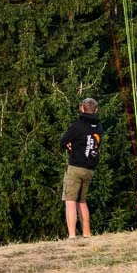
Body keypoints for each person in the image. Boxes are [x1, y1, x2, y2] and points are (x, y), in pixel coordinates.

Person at [60, 97, 102, 238]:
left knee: (70, 202)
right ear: (96, 110)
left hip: (75, 167)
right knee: (82, 202)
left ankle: (72, 236)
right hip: (89, 169)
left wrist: (69, 143)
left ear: (82, 109)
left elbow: (63, 141)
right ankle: (87, 233)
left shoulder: (77, 126)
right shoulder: (99, 127)